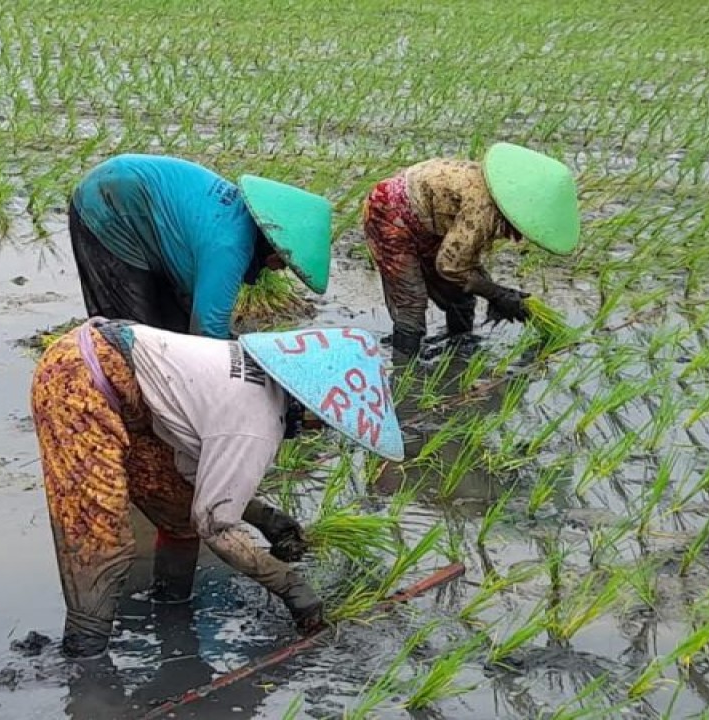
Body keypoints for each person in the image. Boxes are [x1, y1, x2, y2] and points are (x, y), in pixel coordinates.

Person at [30, 320, 403, 658]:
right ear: (308, 406)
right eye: (324, 421)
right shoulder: (256, 423)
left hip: (128, 393)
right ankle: (86, 660)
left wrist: (262, 517)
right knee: (99, 538)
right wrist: (293, 589)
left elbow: (195, 476)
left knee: (178, 509)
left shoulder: (258, 376)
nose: (320, 430)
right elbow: (216, 526)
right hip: (77, 381)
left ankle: (170, 606)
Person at [68, 154, 333, 339]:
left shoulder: (237, 218)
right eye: (284, 262)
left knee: (170, 331)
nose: (278, 270)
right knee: (134, 336)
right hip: (109, 205)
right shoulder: (230, 246)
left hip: (132, 199)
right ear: (274, 245)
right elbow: (208, 329)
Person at [362, 142, 581, 359]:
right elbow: (449, 266)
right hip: (389, 213)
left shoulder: (498, 196)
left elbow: (463, 260)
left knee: (460, 296)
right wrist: (498, 293)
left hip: (427, 222)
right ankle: (404, 373)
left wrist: (492, 291)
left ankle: (459, 349)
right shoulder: (484, 209)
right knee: (411, 302)